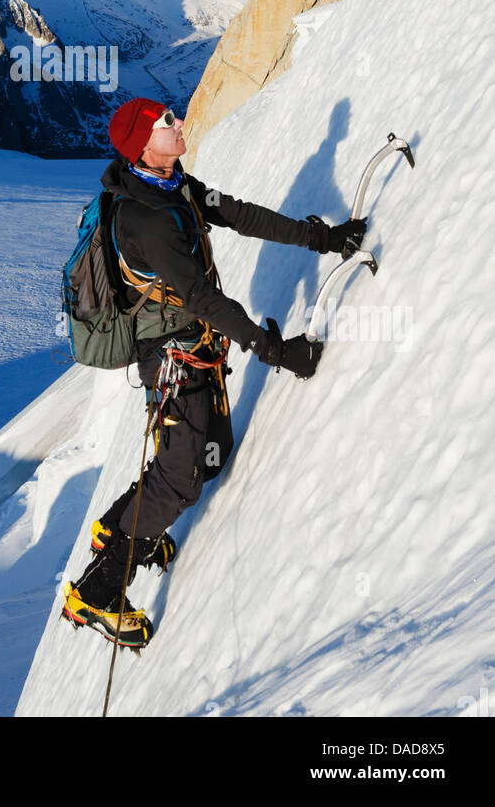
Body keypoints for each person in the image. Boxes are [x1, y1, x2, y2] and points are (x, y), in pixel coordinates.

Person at [62, 97, 366, 648]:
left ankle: (122, 525)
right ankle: (98, 591)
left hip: (191, 343)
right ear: (141, 146)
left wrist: (321, 238)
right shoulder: (146, 218)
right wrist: (272, 348)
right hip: (172, 355)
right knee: (181, 478)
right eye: (165, 123)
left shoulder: (171, 184)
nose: (177, 124)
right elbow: (199, 295)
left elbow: (238, 213)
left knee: (209, 456)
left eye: (171, 117)